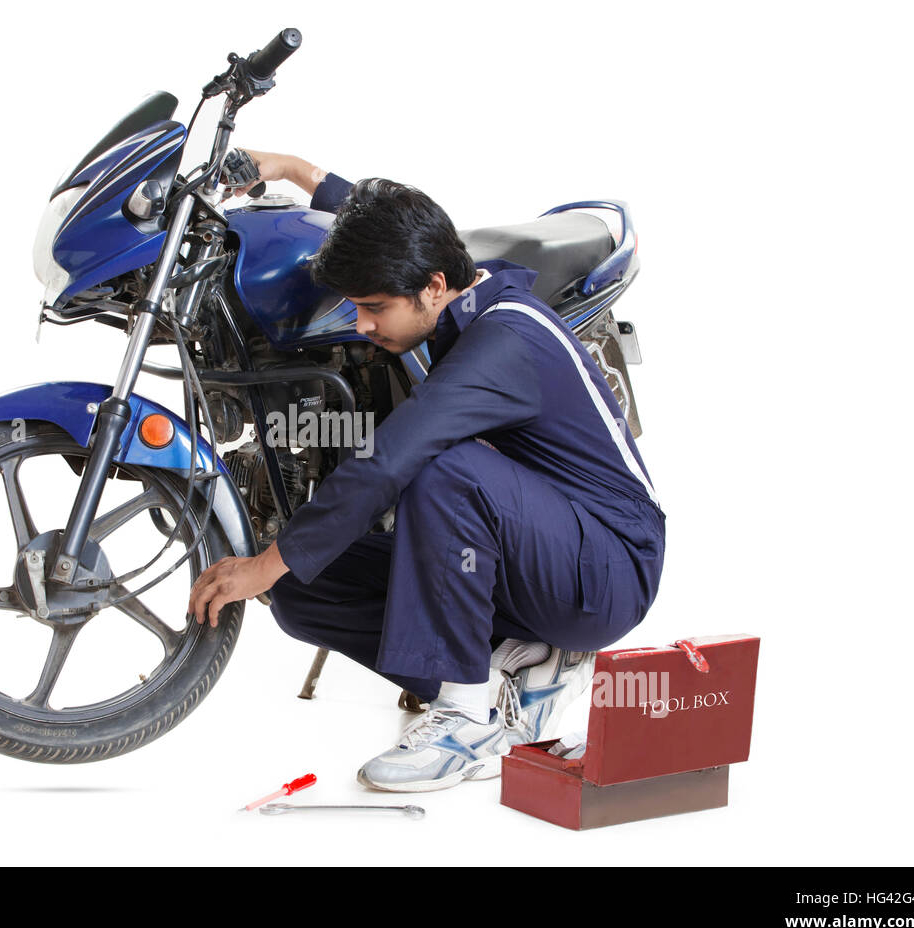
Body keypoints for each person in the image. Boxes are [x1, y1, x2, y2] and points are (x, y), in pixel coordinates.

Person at [187, 151, 665, 792]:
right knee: (302, 590)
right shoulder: (452, 278)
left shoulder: (505, 340)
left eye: (374, 306)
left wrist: (261, 564)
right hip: (534, 547)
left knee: (441, 468)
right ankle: (516, 669)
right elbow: (393, 223)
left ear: (434, 287)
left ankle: (465, 723)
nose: (361, 324)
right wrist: (294, 171)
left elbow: (387, 459)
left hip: (606, 566)